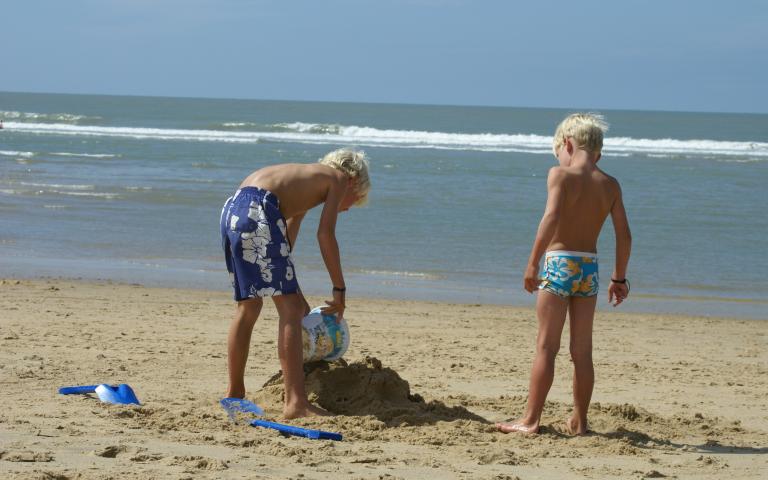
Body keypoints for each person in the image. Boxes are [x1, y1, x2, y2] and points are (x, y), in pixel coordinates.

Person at [497, 113, 632, 435]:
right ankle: (580, 422)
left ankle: (530, 420)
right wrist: (619, 278)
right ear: (598, 151)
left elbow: (551, 218)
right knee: (582, 351)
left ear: (568, 145)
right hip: (589, 268)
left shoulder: (560, 175)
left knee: (546, 346)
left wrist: (532, 263)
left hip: (558, 263)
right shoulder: (610, 184)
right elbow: (624, 235)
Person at [220, 148, 370, 418]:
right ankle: (296, 403)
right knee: (290, 310)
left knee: (249, 306)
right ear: (352, 181)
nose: (347, 209)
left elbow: (284, 243)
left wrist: (292, 289)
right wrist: (339, 290)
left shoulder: (304, 180)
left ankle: (235, 393)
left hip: (234, 209)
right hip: (260, 211)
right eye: (355, 201)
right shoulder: (337, 179)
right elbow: (325, 235)